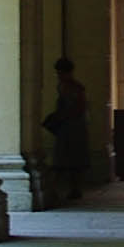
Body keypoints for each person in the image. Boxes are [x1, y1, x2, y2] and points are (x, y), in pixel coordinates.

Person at [41, 54, 91, 206]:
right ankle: (69, 188)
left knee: (65, 160)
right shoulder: (70, 87)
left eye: (60, 72)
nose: (59, 75)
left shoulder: (73, 88)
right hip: (70, 126)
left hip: (71, 127)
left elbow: (79, 108)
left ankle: (60, 188)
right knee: (68, 160)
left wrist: (61, 117)